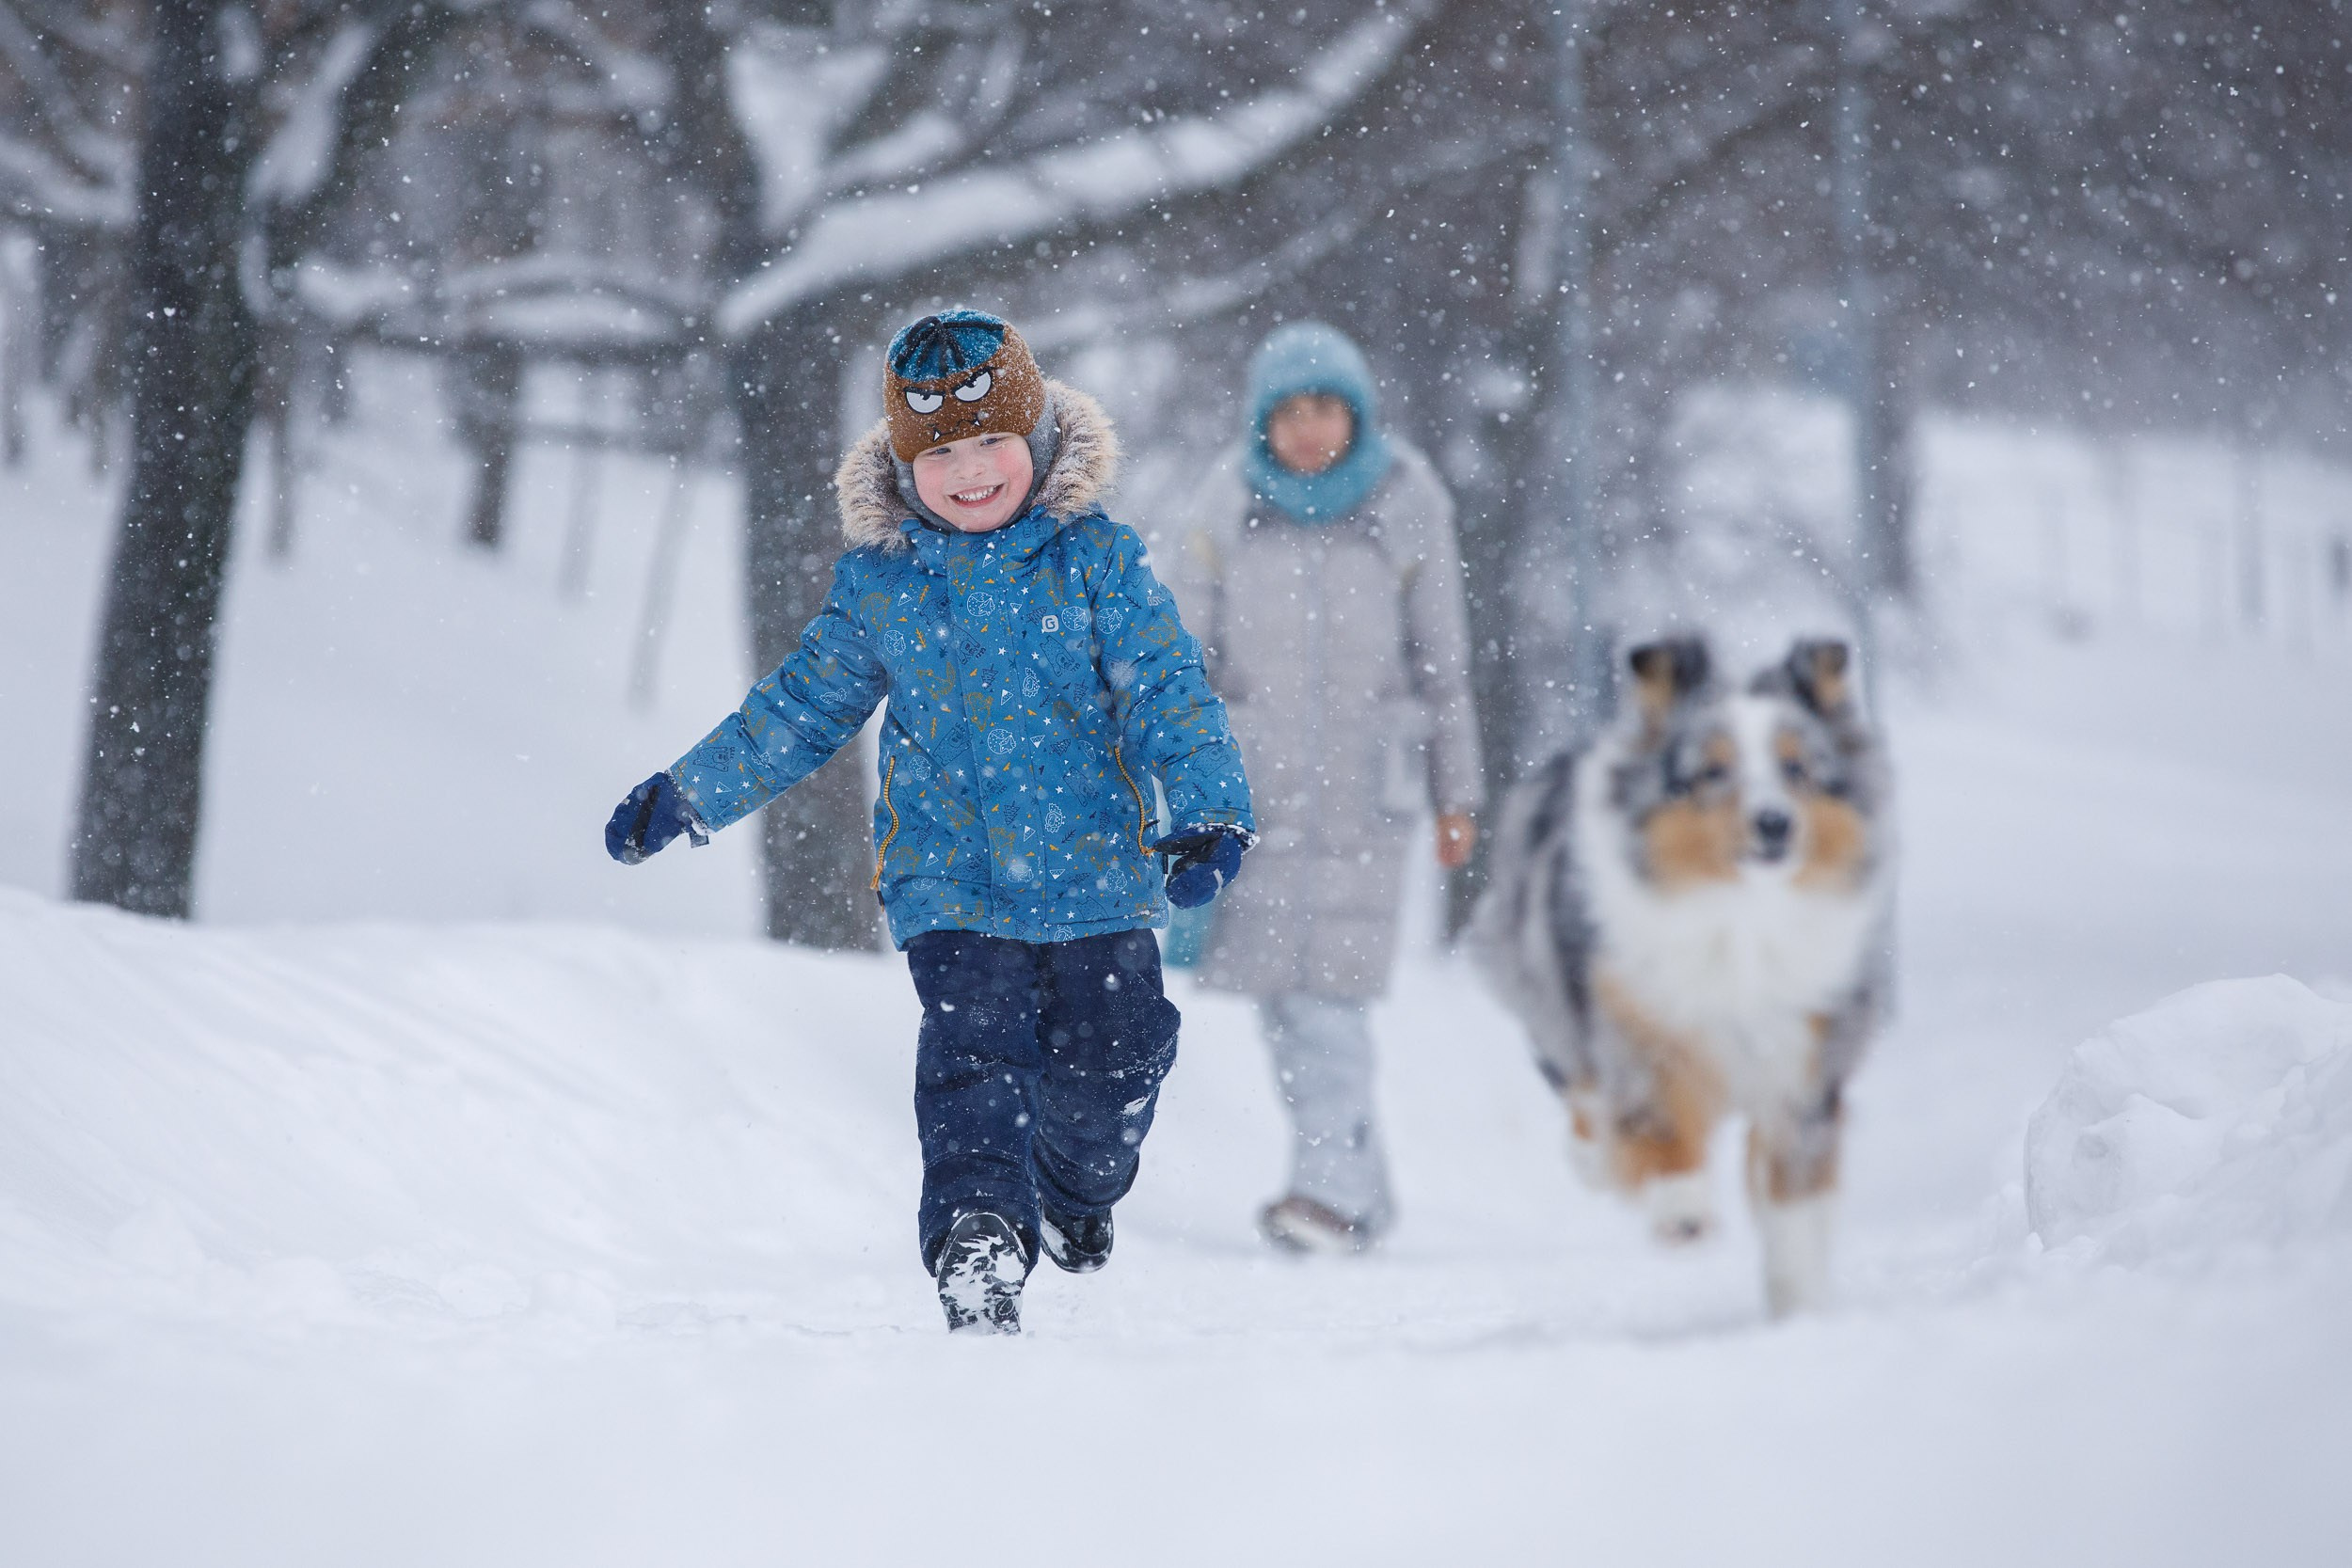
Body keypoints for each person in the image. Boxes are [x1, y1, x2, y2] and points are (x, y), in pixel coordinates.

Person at [605, 309, 1254, 1334]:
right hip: (950, 884)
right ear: (905, 469)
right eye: (939, 451)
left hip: (1095, 876)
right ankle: (978, 1234)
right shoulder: (882, 587)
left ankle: (1075, 1186)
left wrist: (1207, 810)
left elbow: (1167, 692)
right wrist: (692, 792)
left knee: (1118, 1055)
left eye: (991, 440)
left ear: (1038, 443)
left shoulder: (1097, 564)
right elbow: (801, 707)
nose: (968, 470)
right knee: (971, 1060)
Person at [1168, 321, 1483, 1255]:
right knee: (1283, 998)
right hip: (1253, 793)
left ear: (1358, 412)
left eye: (1326, 409)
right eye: (1289, 412)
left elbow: (1444, 663)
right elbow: (1182, 654)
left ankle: (1329, 1194)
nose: (1308, 430)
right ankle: (1359, 1187)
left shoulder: (1406, 498)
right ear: (1263, 419)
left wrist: (1456, 795)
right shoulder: (1226, 499)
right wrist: (1175, 776)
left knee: (1326, 995)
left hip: (1363, 793)